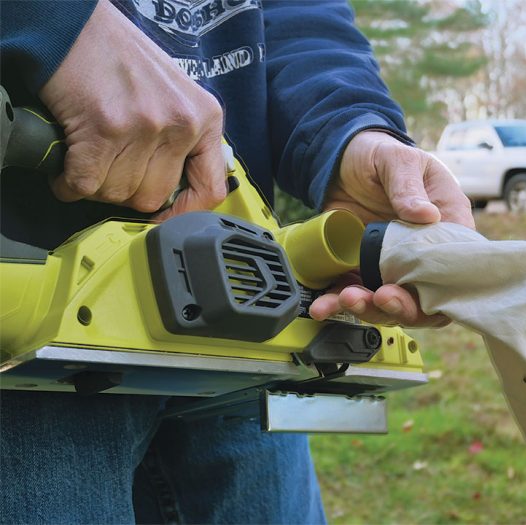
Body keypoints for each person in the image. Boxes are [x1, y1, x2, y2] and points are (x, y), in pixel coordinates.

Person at [0, 1, 474, 523]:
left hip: (247, 359)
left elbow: (298, 18)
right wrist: (57, 25)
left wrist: (349, 131)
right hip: (31, 339)